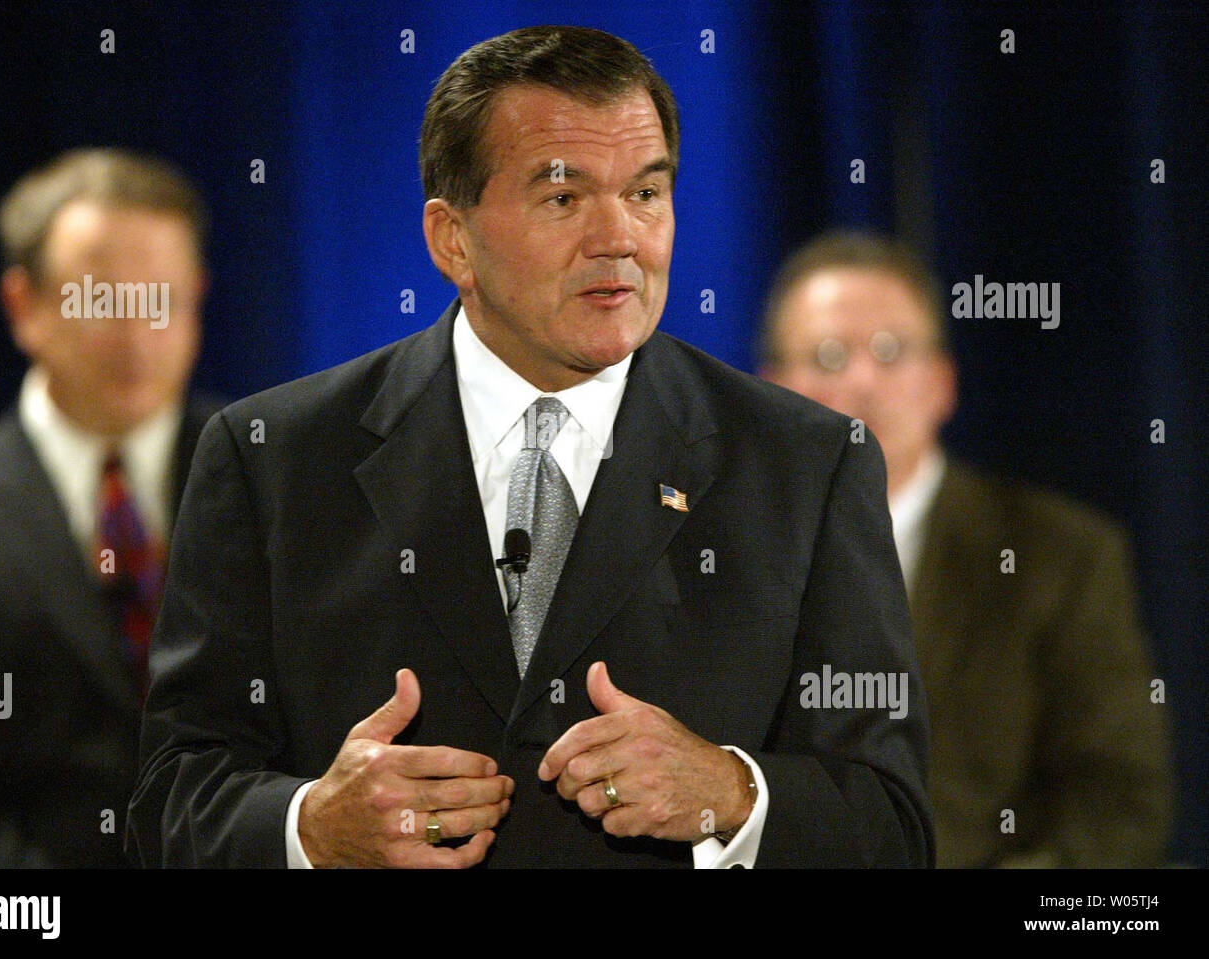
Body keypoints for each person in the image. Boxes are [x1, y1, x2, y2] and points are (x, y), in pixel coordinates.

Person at [127, 26, 933, 869]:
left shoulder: (807, 465)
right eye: (562, 197)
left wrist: (732, 795)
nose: (620, 237)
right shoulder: (272, 459)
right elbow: (172, 802)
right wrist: (308, 827)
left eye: (647, 193)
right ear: (452, 241)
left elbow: (893, 826)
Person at [760, 229, 1174, 867]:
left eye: (891, 351)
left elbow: (1121, 801)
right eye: (829, 356)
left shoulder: (1062, 555)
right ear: (771, 391)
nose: (864, 381)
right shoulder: (722, 557)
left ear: (942, 382)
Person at [0, 148, 220, 866]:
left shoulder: (276, 475)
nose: (137, 335)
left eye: (163, 299)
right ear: (25, 305)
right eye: (103, 300)